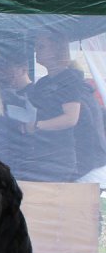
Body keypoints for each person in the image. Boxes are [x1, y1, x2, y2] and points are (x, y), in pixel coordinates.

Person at [29, 33, 106, 185]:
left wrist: (37, 125)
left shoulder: (70, 79)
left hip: (79, 162)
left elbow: (70, 118)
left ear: (56, 49)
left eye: (42, 46)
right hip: (55, 156)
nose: (37, 51)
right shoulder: (43, 84)